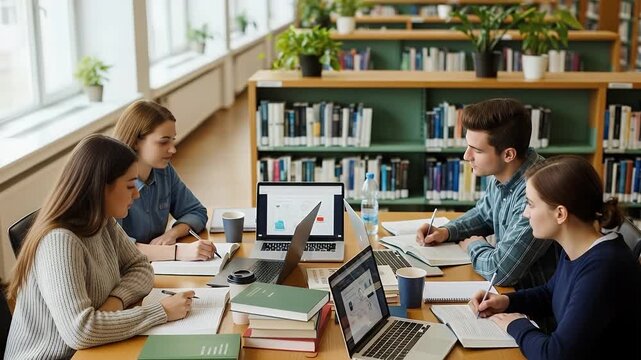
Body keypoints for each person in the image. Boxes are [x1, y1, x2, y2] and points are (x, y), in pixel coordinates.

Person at [5, 135, 195, 360]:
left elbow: (141, 267)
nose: (136, 193)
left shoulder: (103, 220)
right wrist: (161, 312)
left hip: (92, 349)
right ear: (100, 187)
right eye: (129, 185)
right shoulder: (59, 241)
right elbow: (80, 331)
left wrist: (114, 302)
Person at [470, 155, 641, 359]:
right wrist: (506, 302)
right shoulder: (580, 246)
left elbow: (554, 355)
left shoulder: (604, 268)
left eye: (531, 204)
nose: (525, 214)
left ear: (560, 214)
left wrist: (515, 323)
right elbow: (550, 293)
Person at [416, 98, 558, 289]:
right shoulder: (503, 171)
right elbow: (484, 215)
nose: (466, 156)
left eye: (476, 150)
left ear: (508, 154)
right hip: (505, 295)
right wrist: (447, 231)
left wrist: (474, 246)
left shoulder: (537, 193)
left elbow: (500, 271)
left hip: (530, 305)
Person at [113, 100, 214, 261]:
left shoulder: (164, 171)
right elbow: (116, 248)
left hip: (154, 266)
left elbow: (196, 212)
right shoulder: (112, 183)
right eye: (163, 141)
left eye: (173, 140)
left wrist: (172, 234)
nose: (173, 149)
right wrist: (177, 253)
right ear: (135, 141)